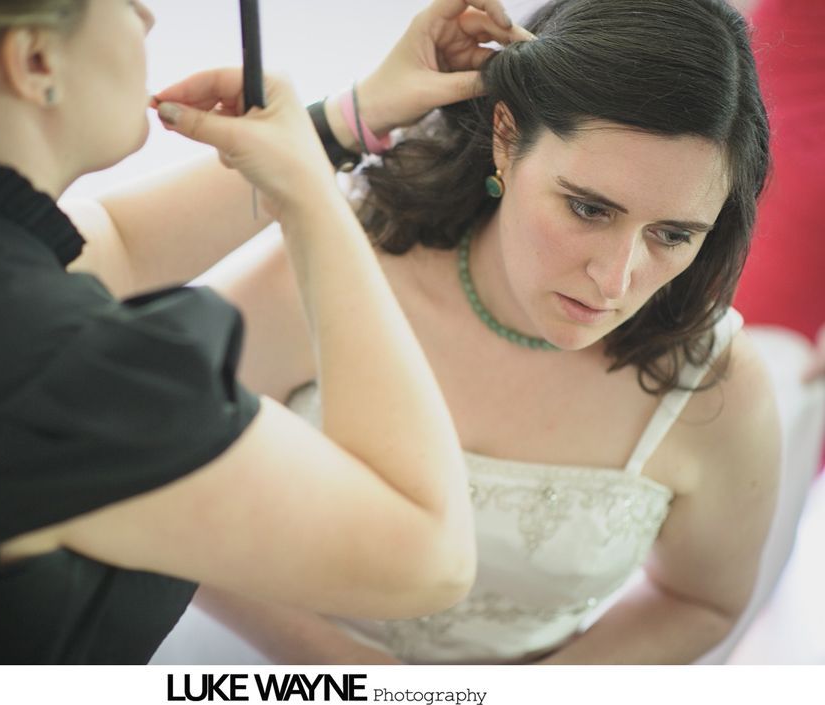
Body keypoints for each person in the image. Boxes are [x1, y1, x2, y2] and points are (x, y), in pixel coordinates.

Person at [0, 0, 533, 664]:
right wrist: (310, 201)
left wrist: (353, 116)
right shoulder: (53, 365)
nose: (147, 14)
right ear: (36, 60)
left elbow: (120, 248)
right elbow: (429, 550)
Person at [158, 0, 782, 665]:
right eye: (588, 208)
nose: (615, 279)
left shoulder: (718, 388)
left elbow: (702, 601)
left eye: (672, 234)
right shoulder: (341, 263)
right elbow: (158, 469)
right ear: (507, 141)